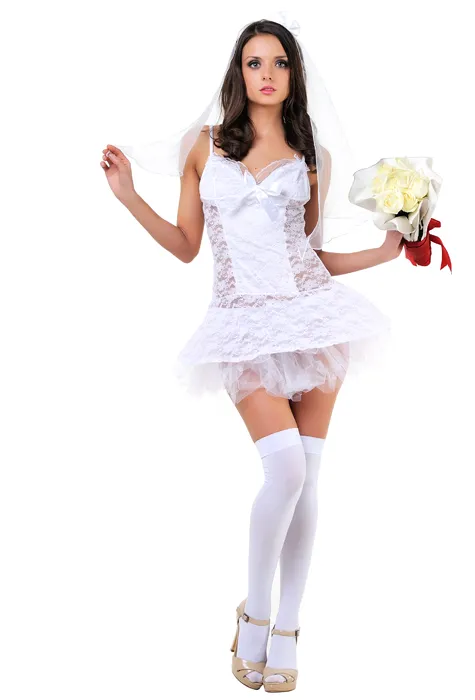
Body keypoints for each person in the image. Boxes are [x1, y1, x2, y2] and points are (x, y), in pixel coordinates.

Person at [100, 17, 403, 693]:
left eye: (279, 63)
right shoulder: (204, 145)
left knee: (308, 478)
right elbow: (187, 246)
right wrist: (128, 198)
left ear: (294, 74)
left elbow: (311, 255)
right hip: (241, 324)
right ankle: (256, 614)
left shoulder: (310, 152)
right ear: (238, 73)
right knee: (285, 468)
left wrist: (383, 253)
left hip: (313, 317)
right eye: (253, 62)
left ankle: (288, 628)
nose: (266, 74)